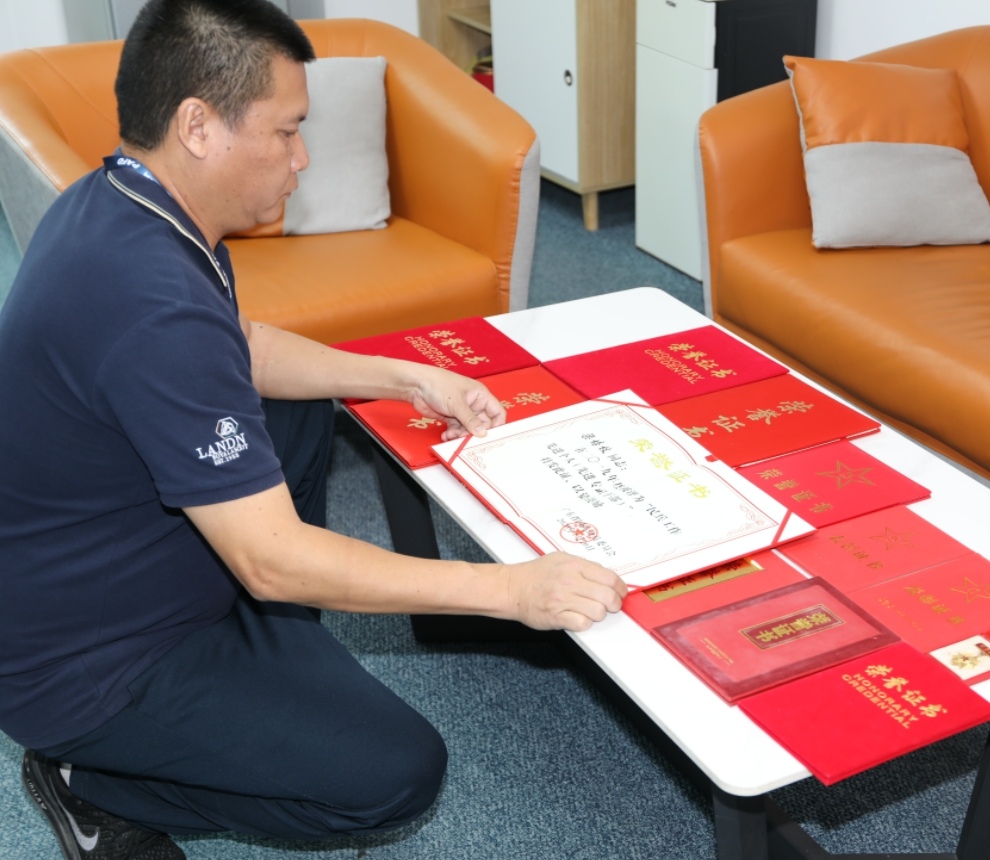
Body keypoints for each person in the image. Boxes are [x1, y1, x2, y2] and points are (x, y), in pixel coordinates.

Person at [0, 1, 626, 857]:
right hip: (85, 661)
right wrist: (512, 592)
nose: (301, 158)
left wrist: (406, 375)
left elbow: (243, 348)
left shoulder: (122, 200)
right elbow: (269, 558)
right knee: (394, 775)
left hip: (115, 563)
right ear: (198, 127)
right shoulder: (149, 300)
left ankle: (267, 654)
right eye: (287, 131)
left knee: (298, 405)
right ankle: (89, 778)